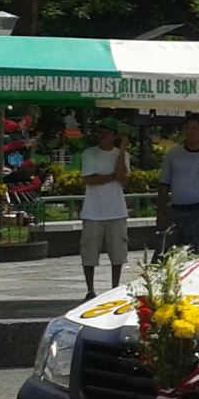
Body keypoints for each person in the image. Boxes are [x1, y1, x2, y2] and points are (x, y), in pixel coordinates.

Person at [157, 114, 199, 256]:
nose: (190, 132)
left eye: (194, 128)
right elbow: (164, 184)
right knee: (166, 254)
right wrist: (160, 211)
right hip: (176, 211)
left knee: (197, 255)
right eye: (187, 128)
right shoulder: (173, 154)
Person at [78, 118, 131, 299]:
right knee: (89, 253)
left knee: (118, 253)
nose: (102, 136)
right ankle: (90, 289)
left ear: (114, 136)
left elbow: (123, 179)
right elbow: (91, 179)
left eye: (107, 133)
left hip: (116, 211)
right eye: (100, 132)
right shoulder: (89, 154)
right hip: (93, 212)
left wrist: (122, 150)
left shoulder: (121, 155)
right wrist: (111, 176)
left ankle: (115, 287)